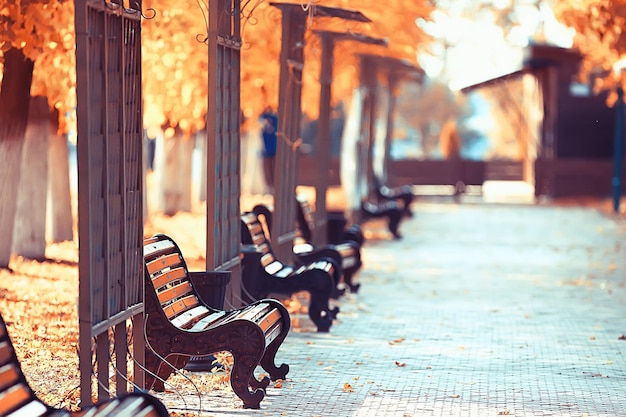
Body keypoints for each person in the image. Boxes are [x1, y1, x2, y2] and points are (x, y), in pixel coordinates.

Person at [259, 107, 278, 190]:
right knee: (268, 170)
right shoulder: (262, 117)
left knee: (272, 169)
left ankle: (272, 187)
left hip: (273, 149)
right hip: (267, 149)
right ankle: (270, 187)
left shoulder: (275, 118)